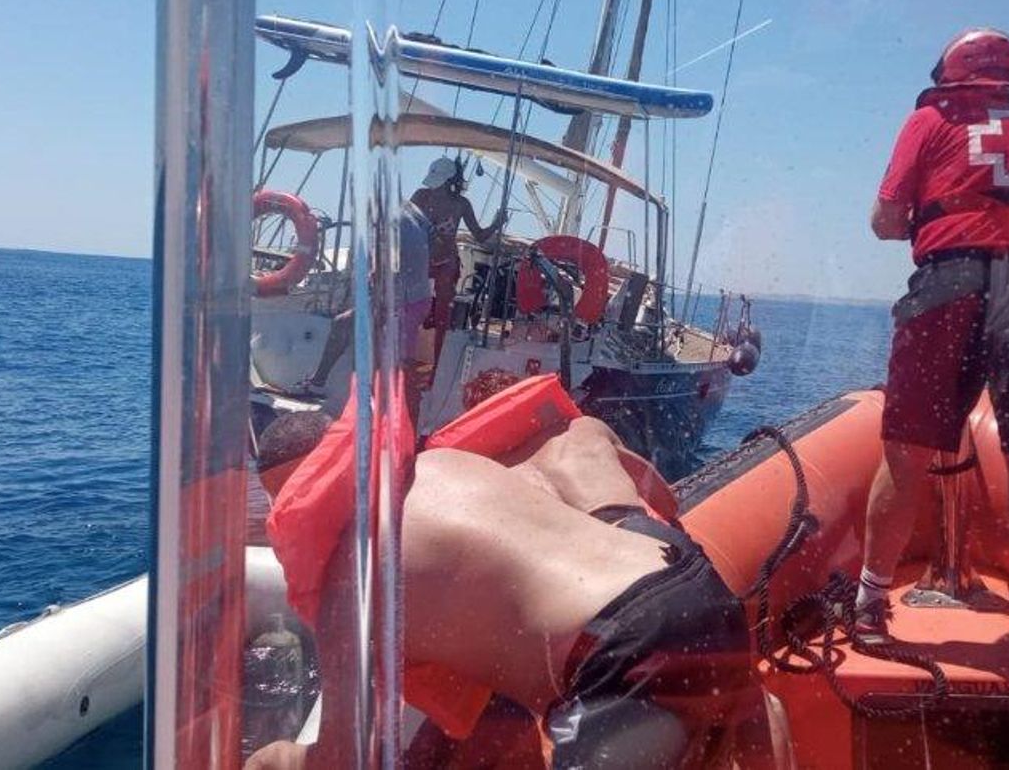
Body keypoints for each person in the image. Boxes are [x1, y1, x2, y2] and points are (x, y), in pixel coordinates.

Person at [248, 386, 777, 769]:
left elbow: (344, 756)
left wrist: (280, 757)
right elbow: (661, 499)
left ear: (291, 500)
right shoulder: (449, 465)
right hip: (695, 585)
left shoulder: (348, 580)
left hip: (620, 652)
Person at [857, 28, 1009, 655]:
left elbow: (885, 219)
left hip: (950, 282)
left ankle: (872, 603)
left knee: (905, 452)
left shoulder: (932, 118)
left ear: (952, 71)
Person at [298, 200, 433, 423]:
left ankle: (318, 384)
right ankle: (398, 415)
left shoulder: (388, 223)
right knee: (397, 362)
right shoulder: (411, 211)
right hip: (417, 299)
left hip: (401, 302)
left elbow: (382, 270)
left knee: (344, 324)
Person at [410, 156, 505, 363]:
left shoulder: (461, 204)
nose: (435, 188)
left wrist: (497, 223)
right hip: (421, 258)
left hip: (447, 260)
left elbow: (478, 235)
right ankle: (402, 356)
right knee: (406, 303)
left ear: (450, 180)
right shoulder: (420, 196)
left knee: (444, 313)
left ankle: (437, 365)